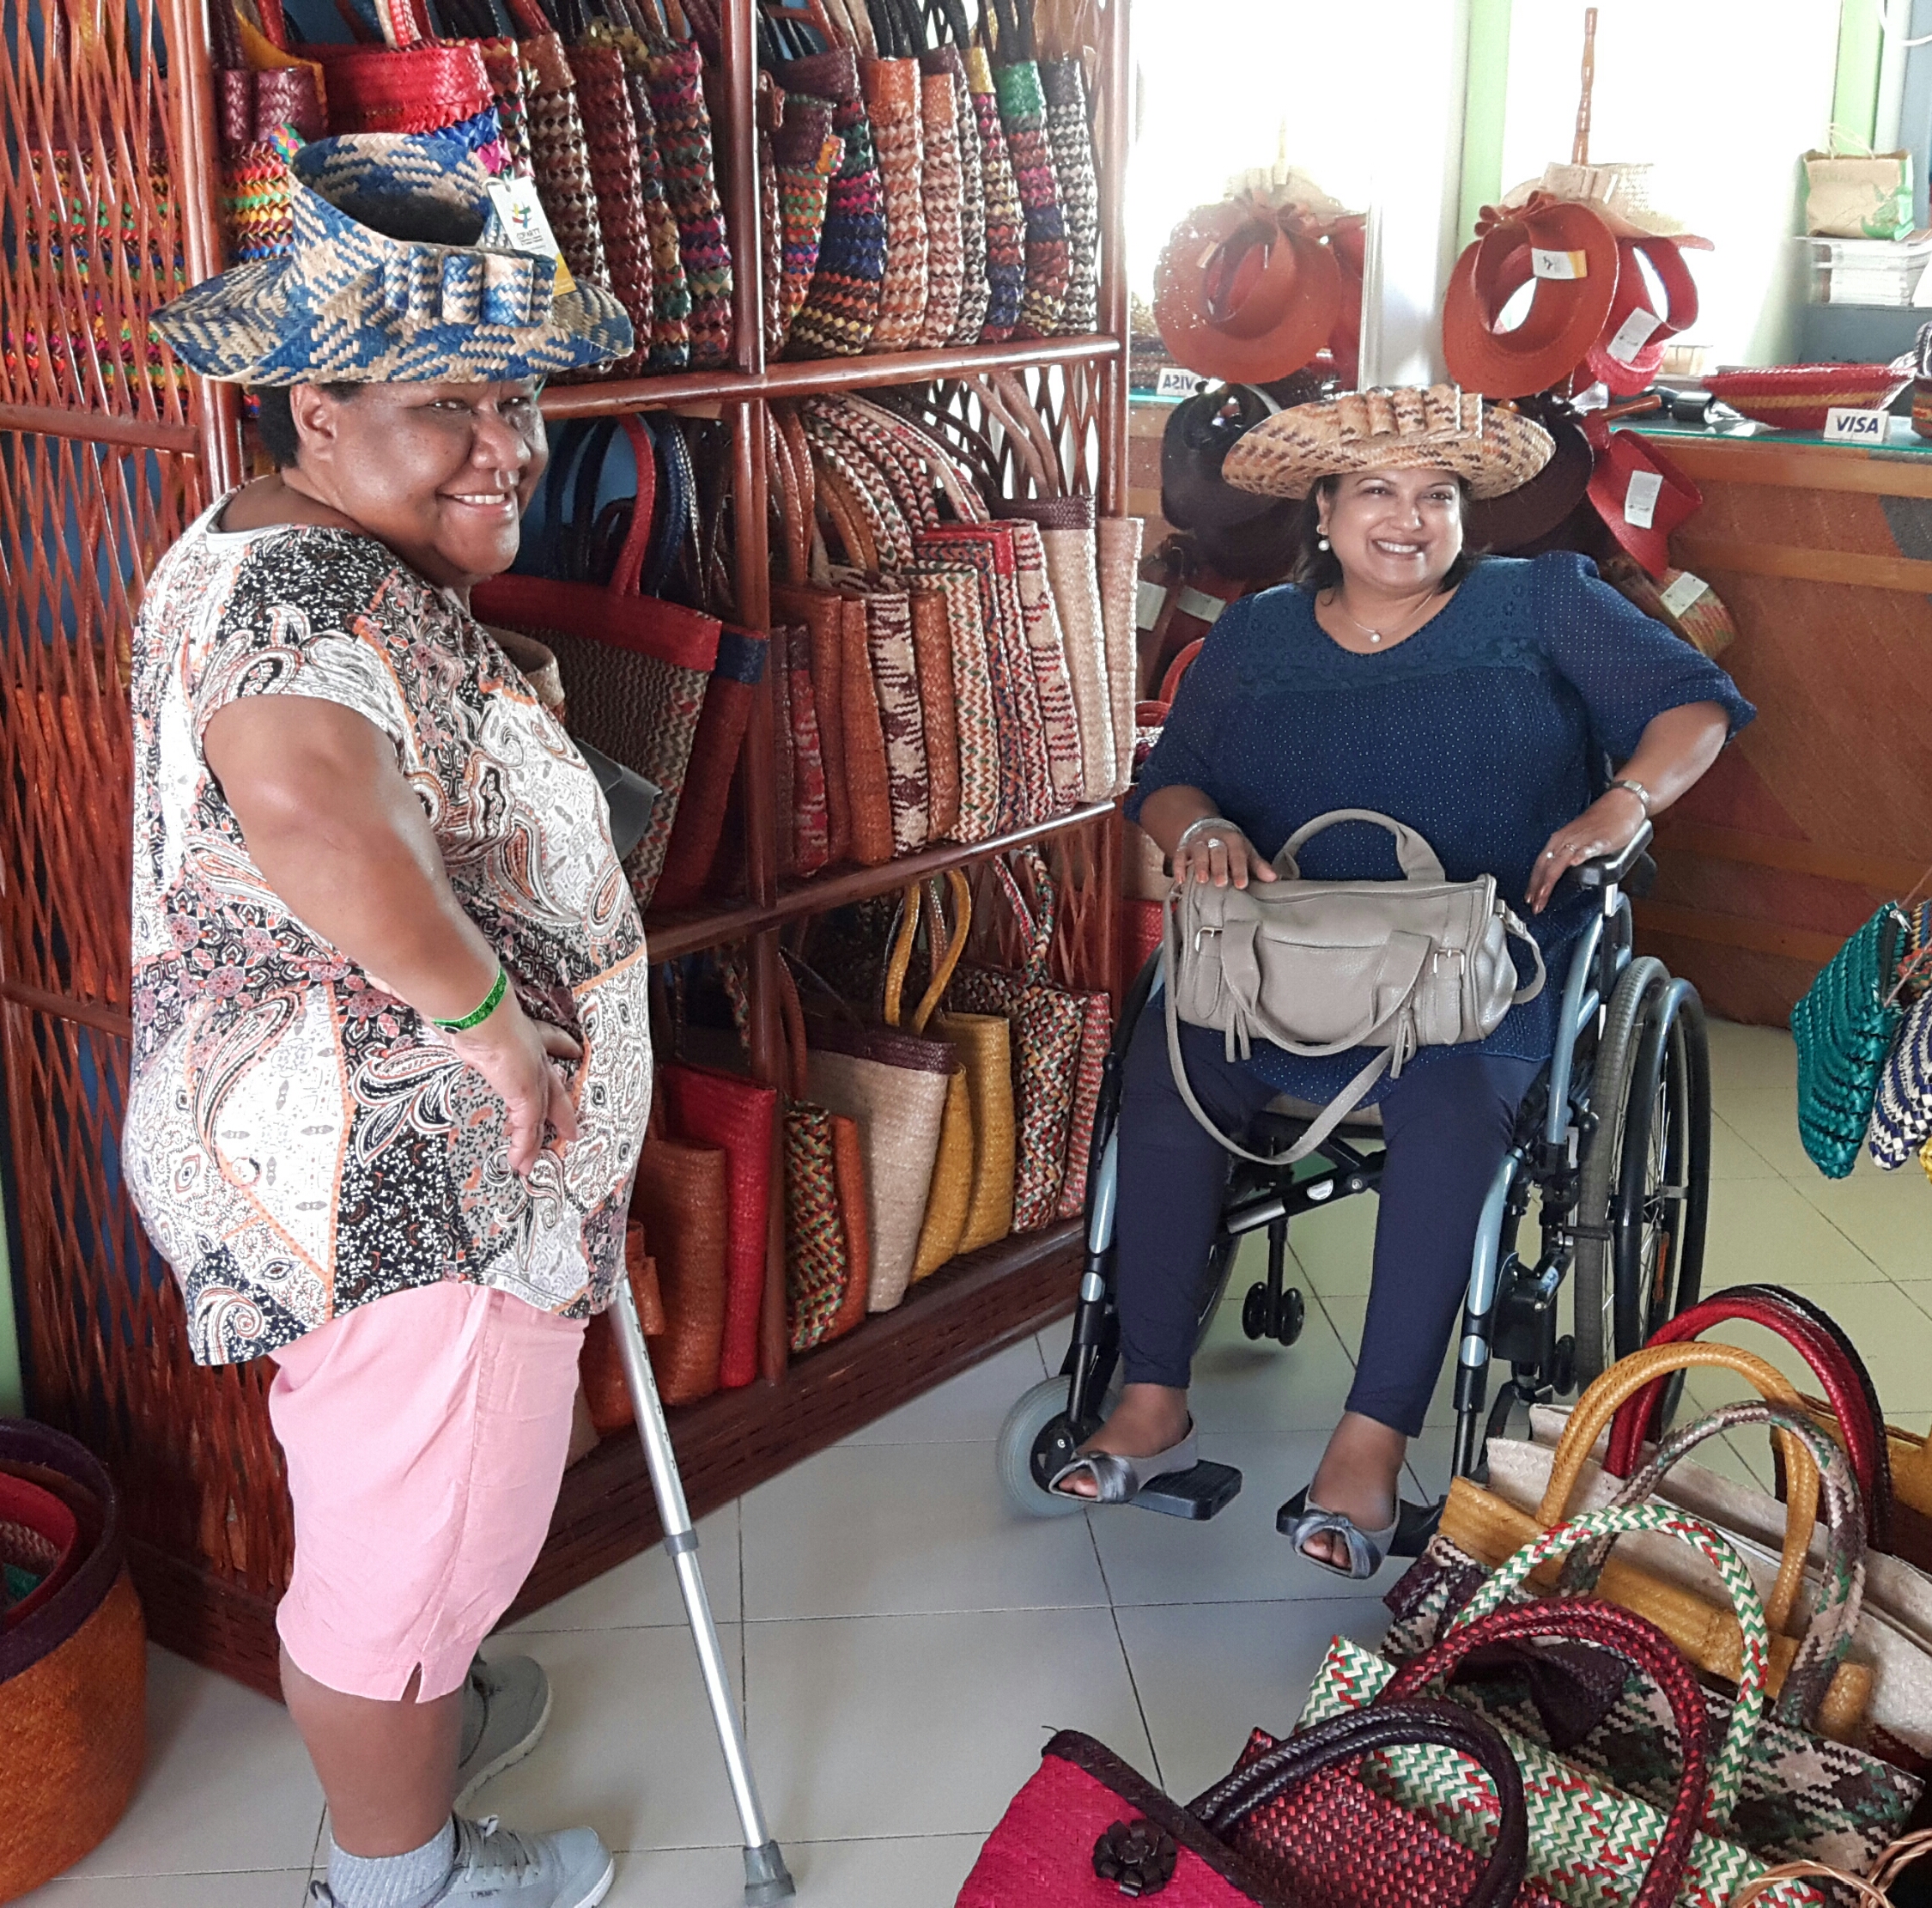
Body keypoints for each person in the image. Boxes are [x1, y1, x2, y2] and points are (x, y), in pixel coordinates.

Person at [130, 130, 643, 1908]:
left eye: (519, 398)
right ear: (313, 407)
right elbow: (308, 805)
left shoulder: (272, 548)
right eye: (448, 405)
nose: (506, 447)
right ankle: (404, 1874)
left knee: (380, 1524)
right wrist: (500, 1020)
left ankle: (408, 1721)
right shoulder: (310, 593)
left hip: (325, 1144)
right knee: (401, 1572)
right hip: (416, 1172)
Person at [1051, 386, 1753, 1580]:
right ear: (1322, 511)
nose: (1406, 518)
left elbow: (1698, 706)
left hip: (1480, 965)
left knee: (1448, 1099)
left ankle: (1367, 1444)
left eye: (1435, 495)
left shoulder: (1538, 601)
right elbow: (1168, 778)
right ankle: (1151, 1394)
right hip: (1292, 957)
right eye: (1375, 490)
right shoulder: (1257, 634)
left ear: (1465, 516)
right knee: (1174, 1067)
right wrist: (1203, 823)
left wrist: (1618, 800)